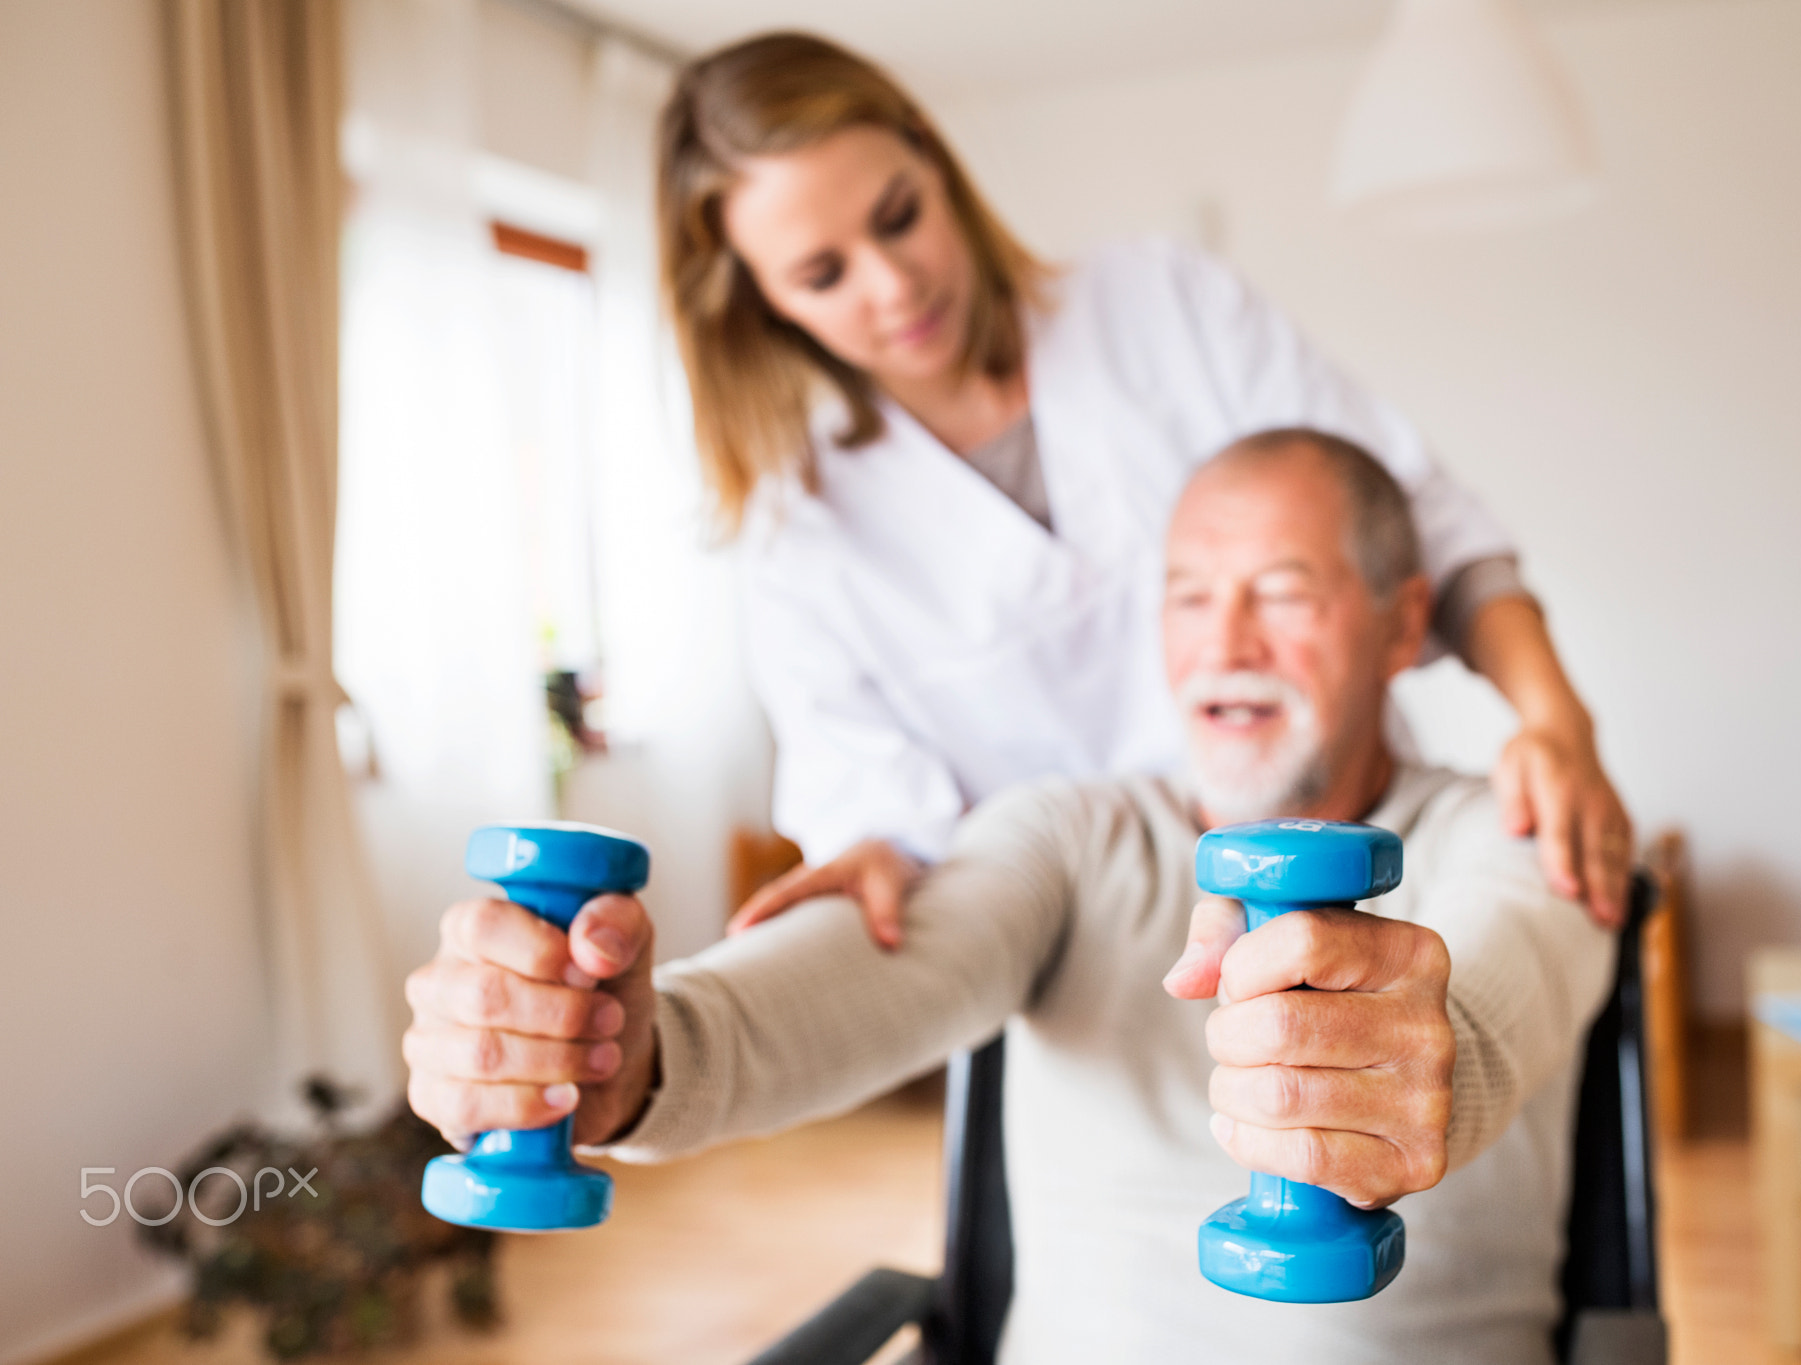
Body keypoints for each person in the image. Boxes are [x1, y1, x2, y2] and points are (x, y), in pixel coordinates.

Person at [404, 430, 1616, 1363]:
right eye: (1189, 594)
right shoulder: (1066, 833)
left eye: (1283, 593)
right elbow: (860, 979)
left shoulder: (1509, 825)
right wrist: (628, 1051)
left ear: (1405, 624)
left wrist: (1415, 1071)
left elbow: (1497, 988)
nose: (1224, 640)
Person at [655, 32, 1635, 946]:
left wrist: (1557, 723)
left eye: (898, 216)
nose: (893, 285)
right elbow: (869, 807)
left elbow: (1418, 525)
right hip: (1080, 959)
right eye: (823, 274)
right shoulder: (802, 530)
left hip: (1332, 876)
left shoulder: (1162, 307)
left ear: (931, 159)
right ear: (755, 297)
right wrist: (864, 862)